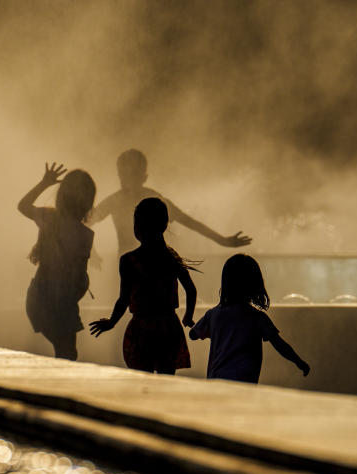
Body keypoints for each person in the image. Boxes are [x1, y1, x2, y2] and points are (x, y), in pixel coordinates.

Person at [89, 197, 197, 374]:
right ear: (163, 225)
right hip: (168, 327)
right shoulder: (171, 258)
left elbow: (123, 299)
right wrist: (188, 316)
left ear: (137, 227)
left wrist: (112, 322)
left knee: (141, 380)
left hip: (142, 329)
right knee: (165, 381)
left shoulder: (129, 261)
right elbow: (191, 290)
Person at [88, 149, 252, 257]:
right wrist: (91, 251)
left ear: (143, 176)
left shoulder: (155, 199)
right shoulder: (115, 200)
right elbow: (87, 222)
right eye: (122, 174)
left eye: (131, 174)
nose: (126, 180)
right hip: (126, 268)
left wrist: (222, 240)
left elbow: (190, 222)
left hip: (155, 268)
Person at [189, 253, 310, 383]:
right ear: (255, 285)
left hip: (216, 380)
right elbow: (279, 344)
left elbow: (193, 334)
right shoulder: (257, 318)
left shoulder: (213, 315)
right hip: (244, 381)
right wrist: (299, 362)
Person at [18, 162, 96, 360]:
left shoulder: (50, 218)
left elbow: (23, 206)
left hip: (42, 297)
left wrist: (44, 184)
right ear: (88, 203)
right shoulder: (83, 234)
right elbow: (78, 276)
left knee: (66, 351)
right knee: (67, 352)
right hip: (57, 301)